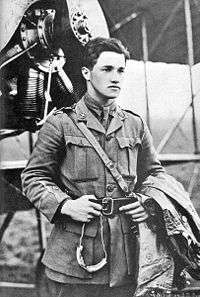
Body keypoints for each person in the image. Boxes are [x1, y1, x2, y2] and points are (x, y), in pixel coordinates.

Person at [21, 37, 200, 297]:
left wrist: (146, 202)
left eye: (120, 70)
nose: (115, 77)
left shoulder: (134, 124)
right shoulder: (60, 123)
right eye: (107, 69)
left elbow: (155, 175)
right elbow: (34, 177)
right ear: (86, 72)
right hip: (75, 257)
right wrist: (66, 206)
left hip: (127, 257)